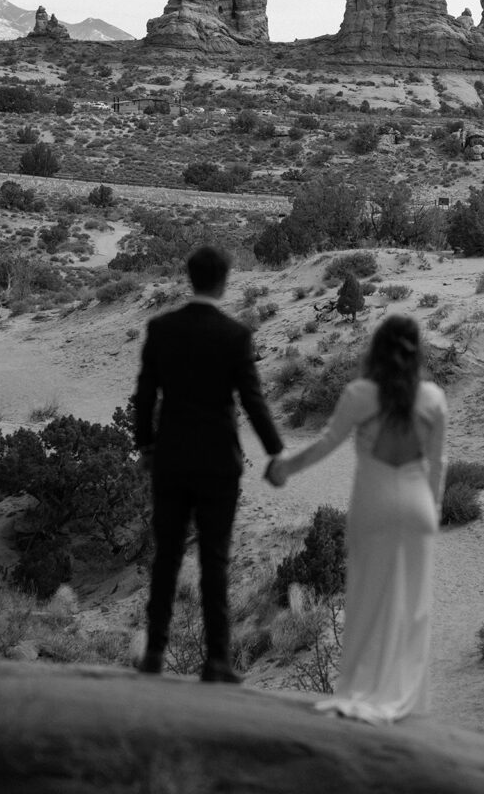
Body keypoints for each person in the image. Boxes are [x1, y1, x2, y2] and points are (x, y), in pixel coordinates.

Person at [267, 315, 447, 723]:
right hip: (418, 506)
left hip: (375, 503)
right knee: (413, 605)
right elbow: (438, 462)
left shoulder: (360, 394)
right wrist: (433, 511)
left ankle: (363, 690)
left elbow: (324, 445)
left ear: (376, 350)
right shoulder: (434, 398)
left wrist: (284, 468)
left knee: (366, 599)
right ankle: (404, 697)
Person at [134, 245, 283, 682]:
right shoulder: (235, 335)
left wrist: (146, 447)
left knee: (167, 556)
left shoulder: (161, 328)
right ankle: (217, 659)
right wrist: (274, 450)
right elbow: (252, 401)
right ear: (224, 280)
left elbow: (145, 395)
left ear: (189, 277)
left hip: (172, 458)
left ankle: (154, 654)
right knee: (215, 560)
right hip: (219, 461)